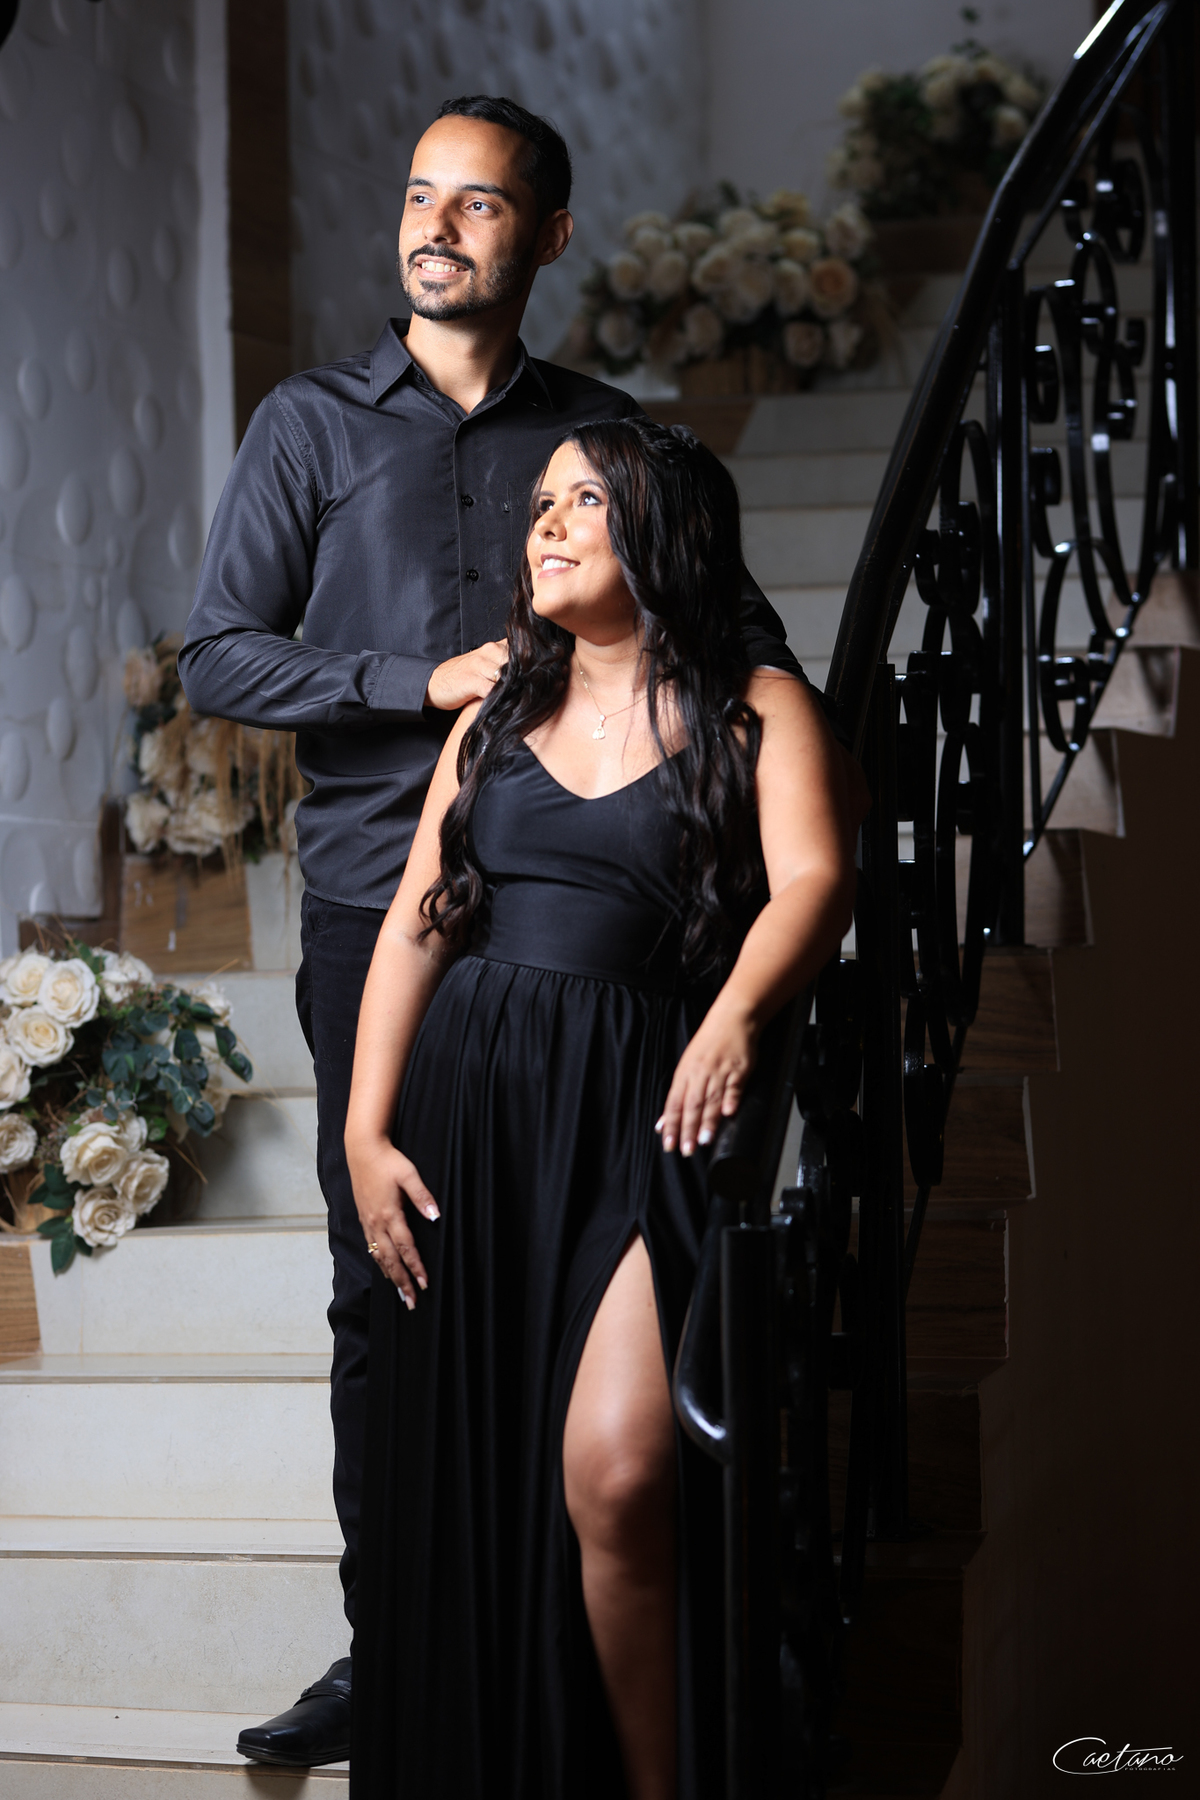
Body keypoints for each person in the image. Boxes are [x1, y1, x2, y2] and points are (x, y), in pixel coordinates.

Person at [177, 96, 806, 1768]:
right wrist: (417, 681)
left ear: (548, 236)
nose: (436, 227)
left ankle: (592, 1651)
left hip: (590, 920)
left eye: (477, 204)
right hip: (379, 909)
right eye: (419, 197)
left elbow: (730, 633)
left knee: (589, 1308)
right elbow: (219, 653)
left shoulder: (603, 437)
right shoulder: (310, 423)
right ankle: (394, 1645)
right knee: (385, 1281)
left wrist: (771, 800)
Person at [343, 417, 861, 1800]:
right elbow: (415, 927)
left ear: (665, 531)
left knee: (624, 1474)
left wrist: (737, 1014)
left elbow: (816, 880)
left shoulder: (756, 709)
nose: (550, 522)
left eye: (587, 499)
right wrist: (363, 1131)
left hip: (638, 1113)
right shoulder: (493, 719)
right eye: (542, 503)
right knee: (479, 1484)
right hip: (469, 1124)